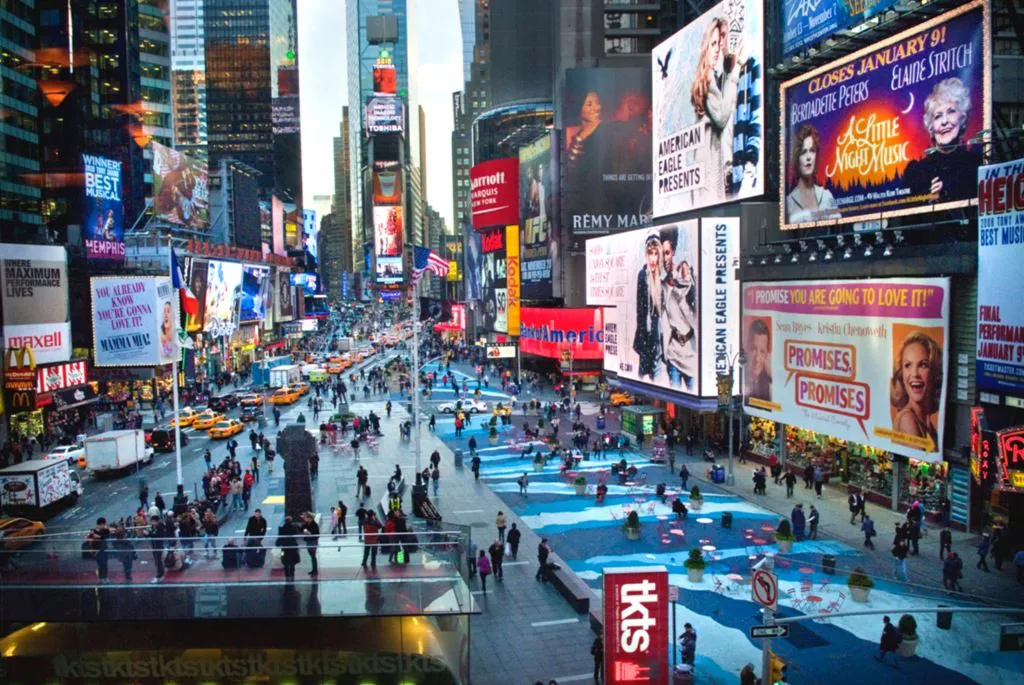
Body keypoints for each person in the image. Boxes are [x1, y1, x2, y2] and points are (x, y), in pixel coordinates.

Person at [689, 17, 746, 204]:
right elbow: (721, 116)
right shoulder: (707, 78)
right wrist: (736, 71)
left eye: (719, 42)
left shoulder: (711, 76)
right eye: (713, 43)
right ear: (706, 46)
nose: (717, 49)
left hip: (705, 165)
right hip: (709, 166)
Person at [902, 77, 982, 202]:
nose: (944, 121)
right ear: (931, 127)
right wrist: (928, 200)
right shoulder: (917, 172)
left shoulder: (976, 165)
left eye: (951, 112)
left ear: (962, 119)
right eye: (938, 116)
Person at [890, 331, 943, 450]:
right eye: (908, 365)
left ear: (934, 373)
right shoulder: (907, 419)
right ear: (901, 374)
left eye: (923, 365)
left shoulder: (926, 423)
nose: (914, 374)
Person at [785, 123, 839, 223]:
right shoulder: (788, 203)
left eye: (812, 151)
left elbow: (839, 229)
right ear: (797, 158)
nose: (808, 157)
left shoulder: (827, 196)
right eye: (803, 152)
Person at [633, 230, 665, 381]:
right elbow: (640, 310)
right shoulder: (642, 275)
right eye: (650, 253)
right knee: (644, 377)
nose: (653, 258)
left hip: (661, 344)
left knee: (657, 377)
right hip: (646, 339)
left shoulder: (665, 277)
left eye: (656, 253)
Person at [745, 319, 773, 402]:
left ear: (767, 354)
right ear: (747, 347)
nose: (757, 359)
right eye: (753, 349)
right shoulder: (739, 377)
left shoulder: (770, 380)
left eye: (762, 351)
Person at [277, 516, 301, 582]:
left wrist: (278, 543)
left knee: (285, 563)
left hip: (285, 548)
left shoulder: (282, 528)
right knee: (292, 564)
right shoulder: (294, 527)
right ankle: (292, 577)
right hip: (293, 548)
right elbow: (297, 534)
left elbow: (279, 537)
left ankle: (287, 577)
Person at [301, 512, 319, 576]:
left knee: (313, 556)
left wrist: (310, 533)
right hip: (308, 541)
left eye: (306, 518)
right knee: (312, 556)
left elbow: (317, 534)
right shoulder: (306, 524)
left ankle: (315, 570)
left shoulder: (314, 524)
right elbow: (301, 528)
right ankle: (314, 570)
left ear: (309, 518)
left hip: (313, 541)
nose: (305, 519)